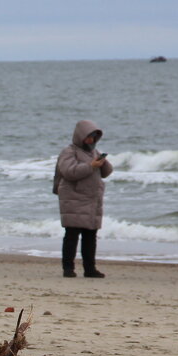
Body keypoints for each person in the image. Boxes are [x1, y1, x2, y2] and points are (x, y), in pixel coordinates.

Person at [53, 119, 114, 278]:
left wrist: (103, 162)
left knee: (90, 236)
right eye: (88, 137)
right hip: (74, 198)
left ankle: (90, 269)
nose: (91, 140)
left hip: (92, 200)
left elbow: (106, 173)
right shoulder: (69, 152)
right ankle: (68, 269)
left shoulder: (93, 152)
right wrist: (91, 166)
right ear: (80, 136)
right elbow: (69, 172)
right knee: (72, 235)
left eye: (94, 137)